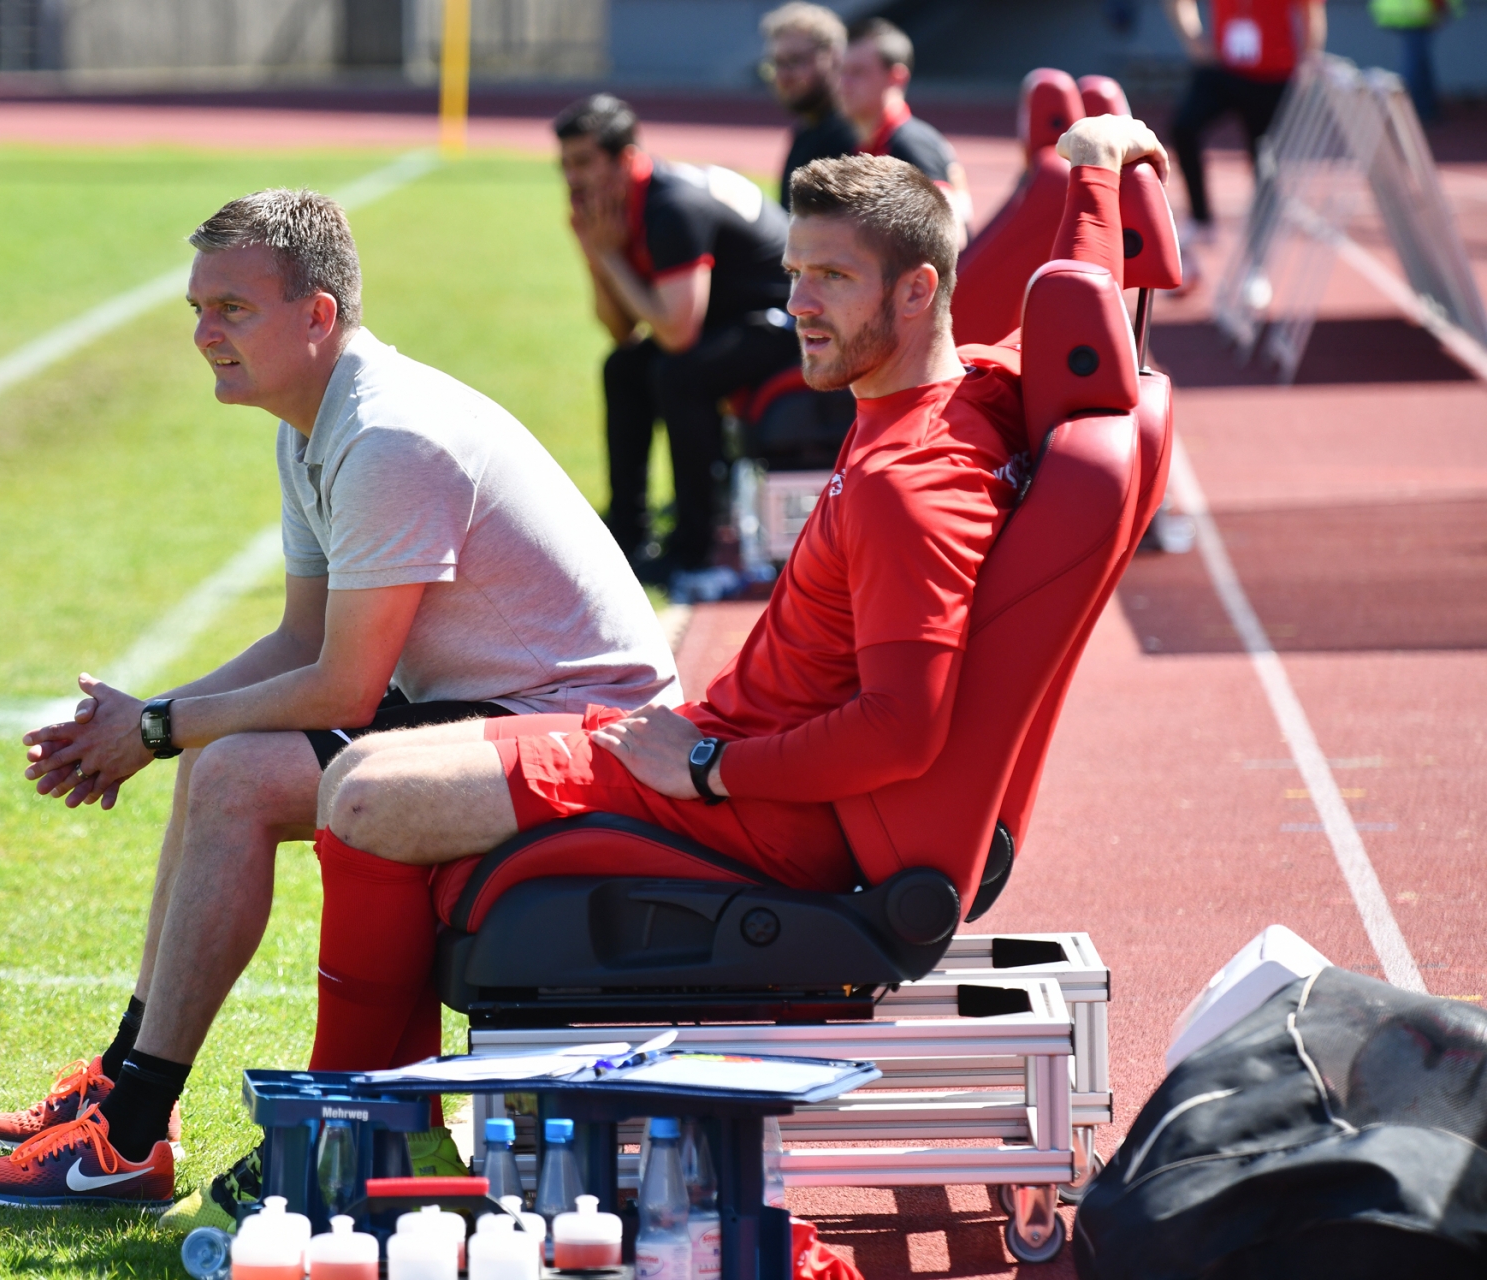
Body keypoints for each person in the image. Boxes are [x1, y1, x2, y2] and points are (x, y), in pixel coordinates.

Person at [300, 117, 1168, 1080]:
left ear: (919, 290)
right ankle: (388, 1127)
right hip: (733, 747)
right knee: (358, 774)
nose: (797, 303)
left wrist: (709, 765)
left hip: (757, 805)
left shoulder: (907, 483)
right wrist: (1092, 174)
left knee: (371, 800)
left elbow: (902, 729)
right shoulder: (983, 384)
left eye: (832, 278)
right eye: (795, 272)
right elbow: (1079, 313)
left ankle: (340, 1116)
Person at [0, 188, 680, 1213]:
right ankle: (125, 1092)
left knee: (235, 768)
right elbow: (302, 640)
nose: (204, 335)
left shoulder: (386, 434)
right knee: (221, 756)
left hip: (581, 734)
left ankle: (124, 1133)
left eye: (232, 310)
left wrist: (153, 728)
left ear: (318, 315)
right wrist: (145, 714)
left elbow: (343, 683)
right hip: (503, 709)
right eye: (197, 310)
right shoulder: (314, 423)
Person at [555, 94, 799, 591]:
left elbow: (676, 332)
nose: (572, 179)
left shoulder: (672, 208)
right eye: (564, 165)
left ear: (625, 159)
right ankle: (627, 533)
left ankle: (695, 545)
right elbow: (623, 331)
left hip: (787, 323)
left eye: (583, 163)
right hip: (721, 321)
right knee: (622, 368)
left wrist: (611, 258)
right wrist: (594, 255)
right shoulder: (616, 205)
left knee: (677, 374)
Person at [1164, 0, 1327, 269]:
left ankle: (1258, 264)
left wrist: (1308, 65)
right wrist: (1193, 38)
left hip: (1272, 77)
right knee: (1184, 127)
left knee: (1264, 165)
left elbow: (1312, 12)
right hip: (1224, 69)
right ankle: (1200, 219)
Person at [835, 17, 975, 243]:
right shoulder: (869, 143)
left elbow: (953, 236)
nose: (843, 83)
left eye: (858, 72)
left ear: (895, 78)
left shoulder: (910, 145)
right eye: (842, 71)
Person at [760, 2, 859, 209]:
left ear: (834, 57)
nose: (783, 75)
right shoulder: (807, 130)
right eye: (777, 63)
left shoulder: (851, 136)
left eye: (795, 61)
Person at [1370, 0, 1461, 123]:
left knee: (1418, 61)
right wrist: (1442, 8)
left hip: (1399, 9)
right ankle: (1413, 109)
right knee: (1415, 64)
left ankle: (1422, 107)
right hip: (1416, 12)